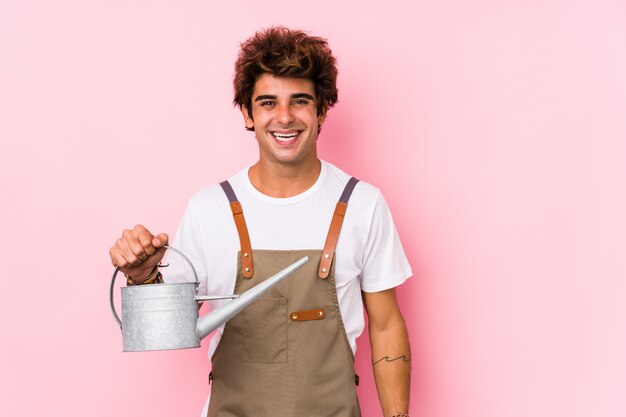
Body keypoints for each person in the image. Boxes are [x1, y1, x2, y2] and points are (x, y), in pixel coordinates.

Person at [109, 26, 412, 417]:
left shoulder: (363, 204)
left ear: (321, 110)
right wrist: (142, 275)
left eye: (299, 101)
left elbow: (387, 327)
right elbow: (166, 332)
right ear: (248, 114)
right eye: (267, 103)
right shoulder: (209, 207)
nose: (284, 117)